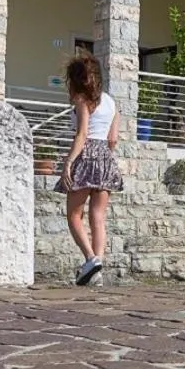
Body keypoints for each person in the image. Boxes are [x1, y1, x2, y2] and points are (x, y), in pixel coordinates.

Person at [57, 53, 130, 287]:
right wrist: (103, 157)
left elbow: (82, 134)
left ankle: (91, 259)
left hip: (86, 155)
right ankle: (97, 271)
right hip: (105, 157)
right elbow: (113, 139)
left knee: (74, 215)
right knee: (98, 217)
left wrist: (69, 162)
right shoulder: (110, 102)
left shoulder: (82, 101)